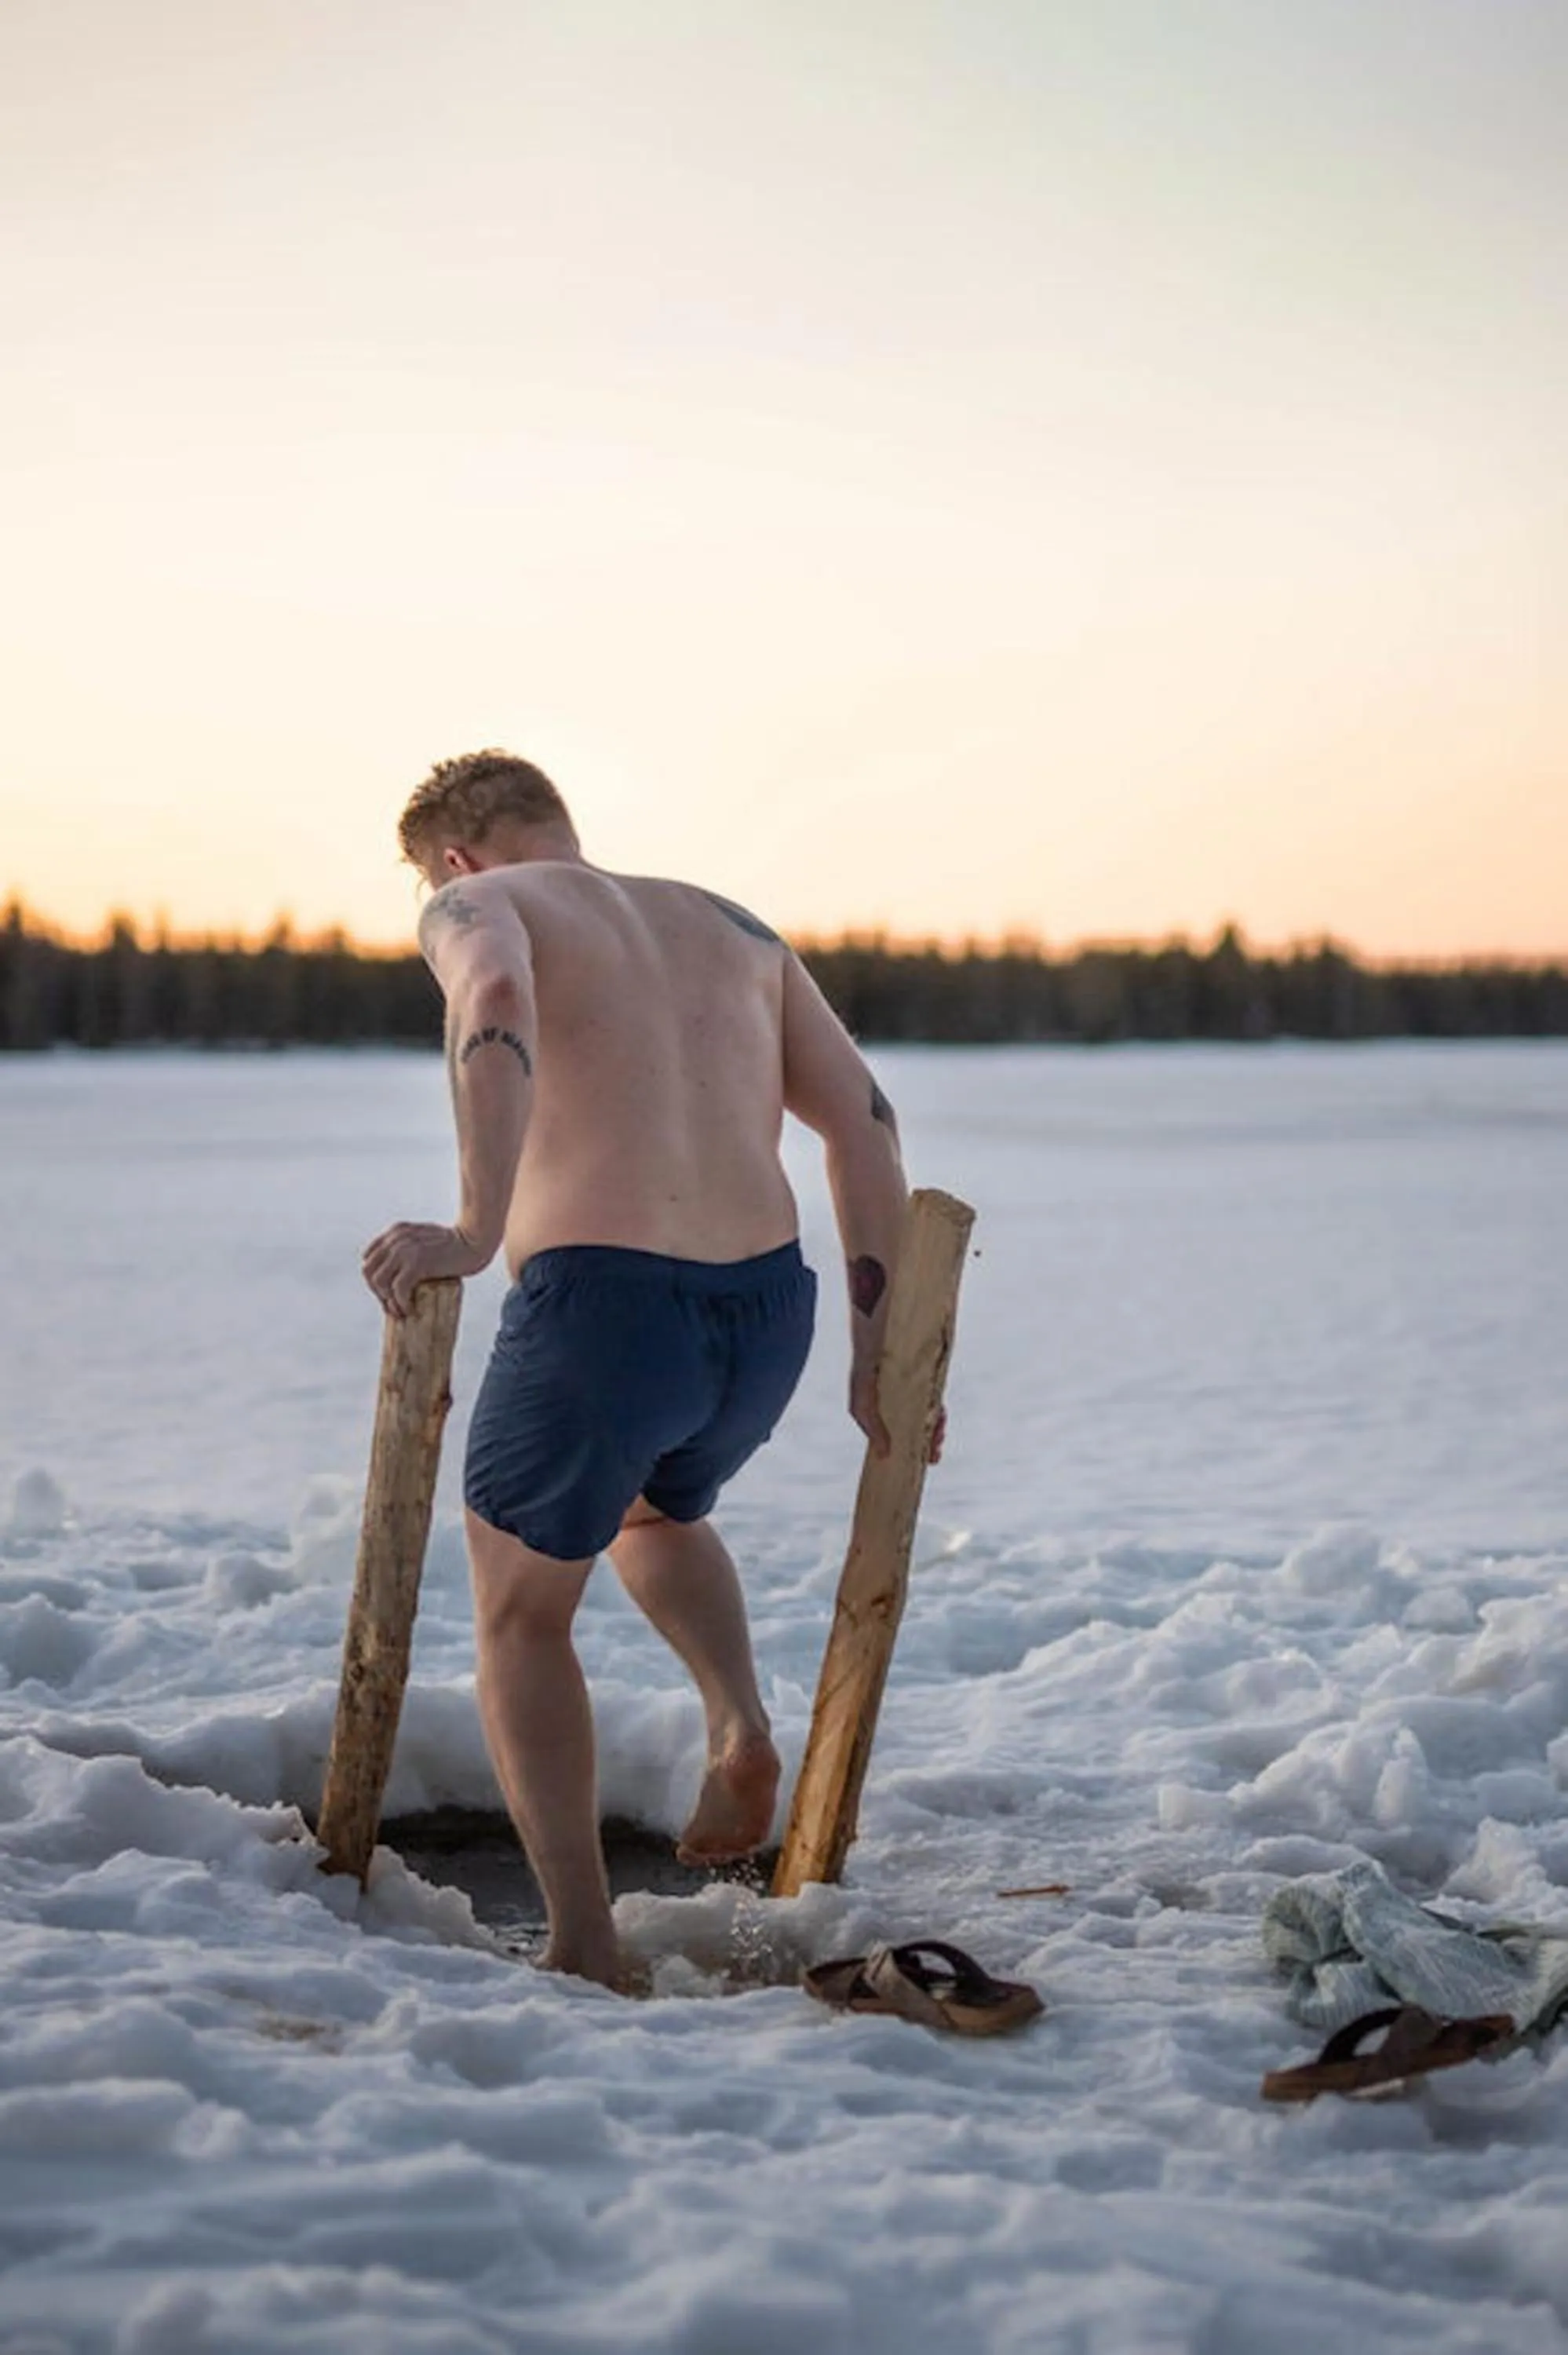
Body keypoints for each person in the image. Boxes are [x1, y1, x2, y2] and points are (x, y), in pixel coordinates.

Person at [362, 748, 924, 1988]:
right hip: (763, 1311)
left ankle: (583, 1940)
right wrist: (881, 1351)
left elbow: (495, 1000)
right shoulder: (730, 925)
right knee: (650, 1507)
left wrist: (471, 1228)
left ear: (453, 859)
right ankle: (736, 1721)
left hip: (605, 1310)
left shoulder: (475, 909)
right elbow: (866, 1122)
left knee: (518, 1615)